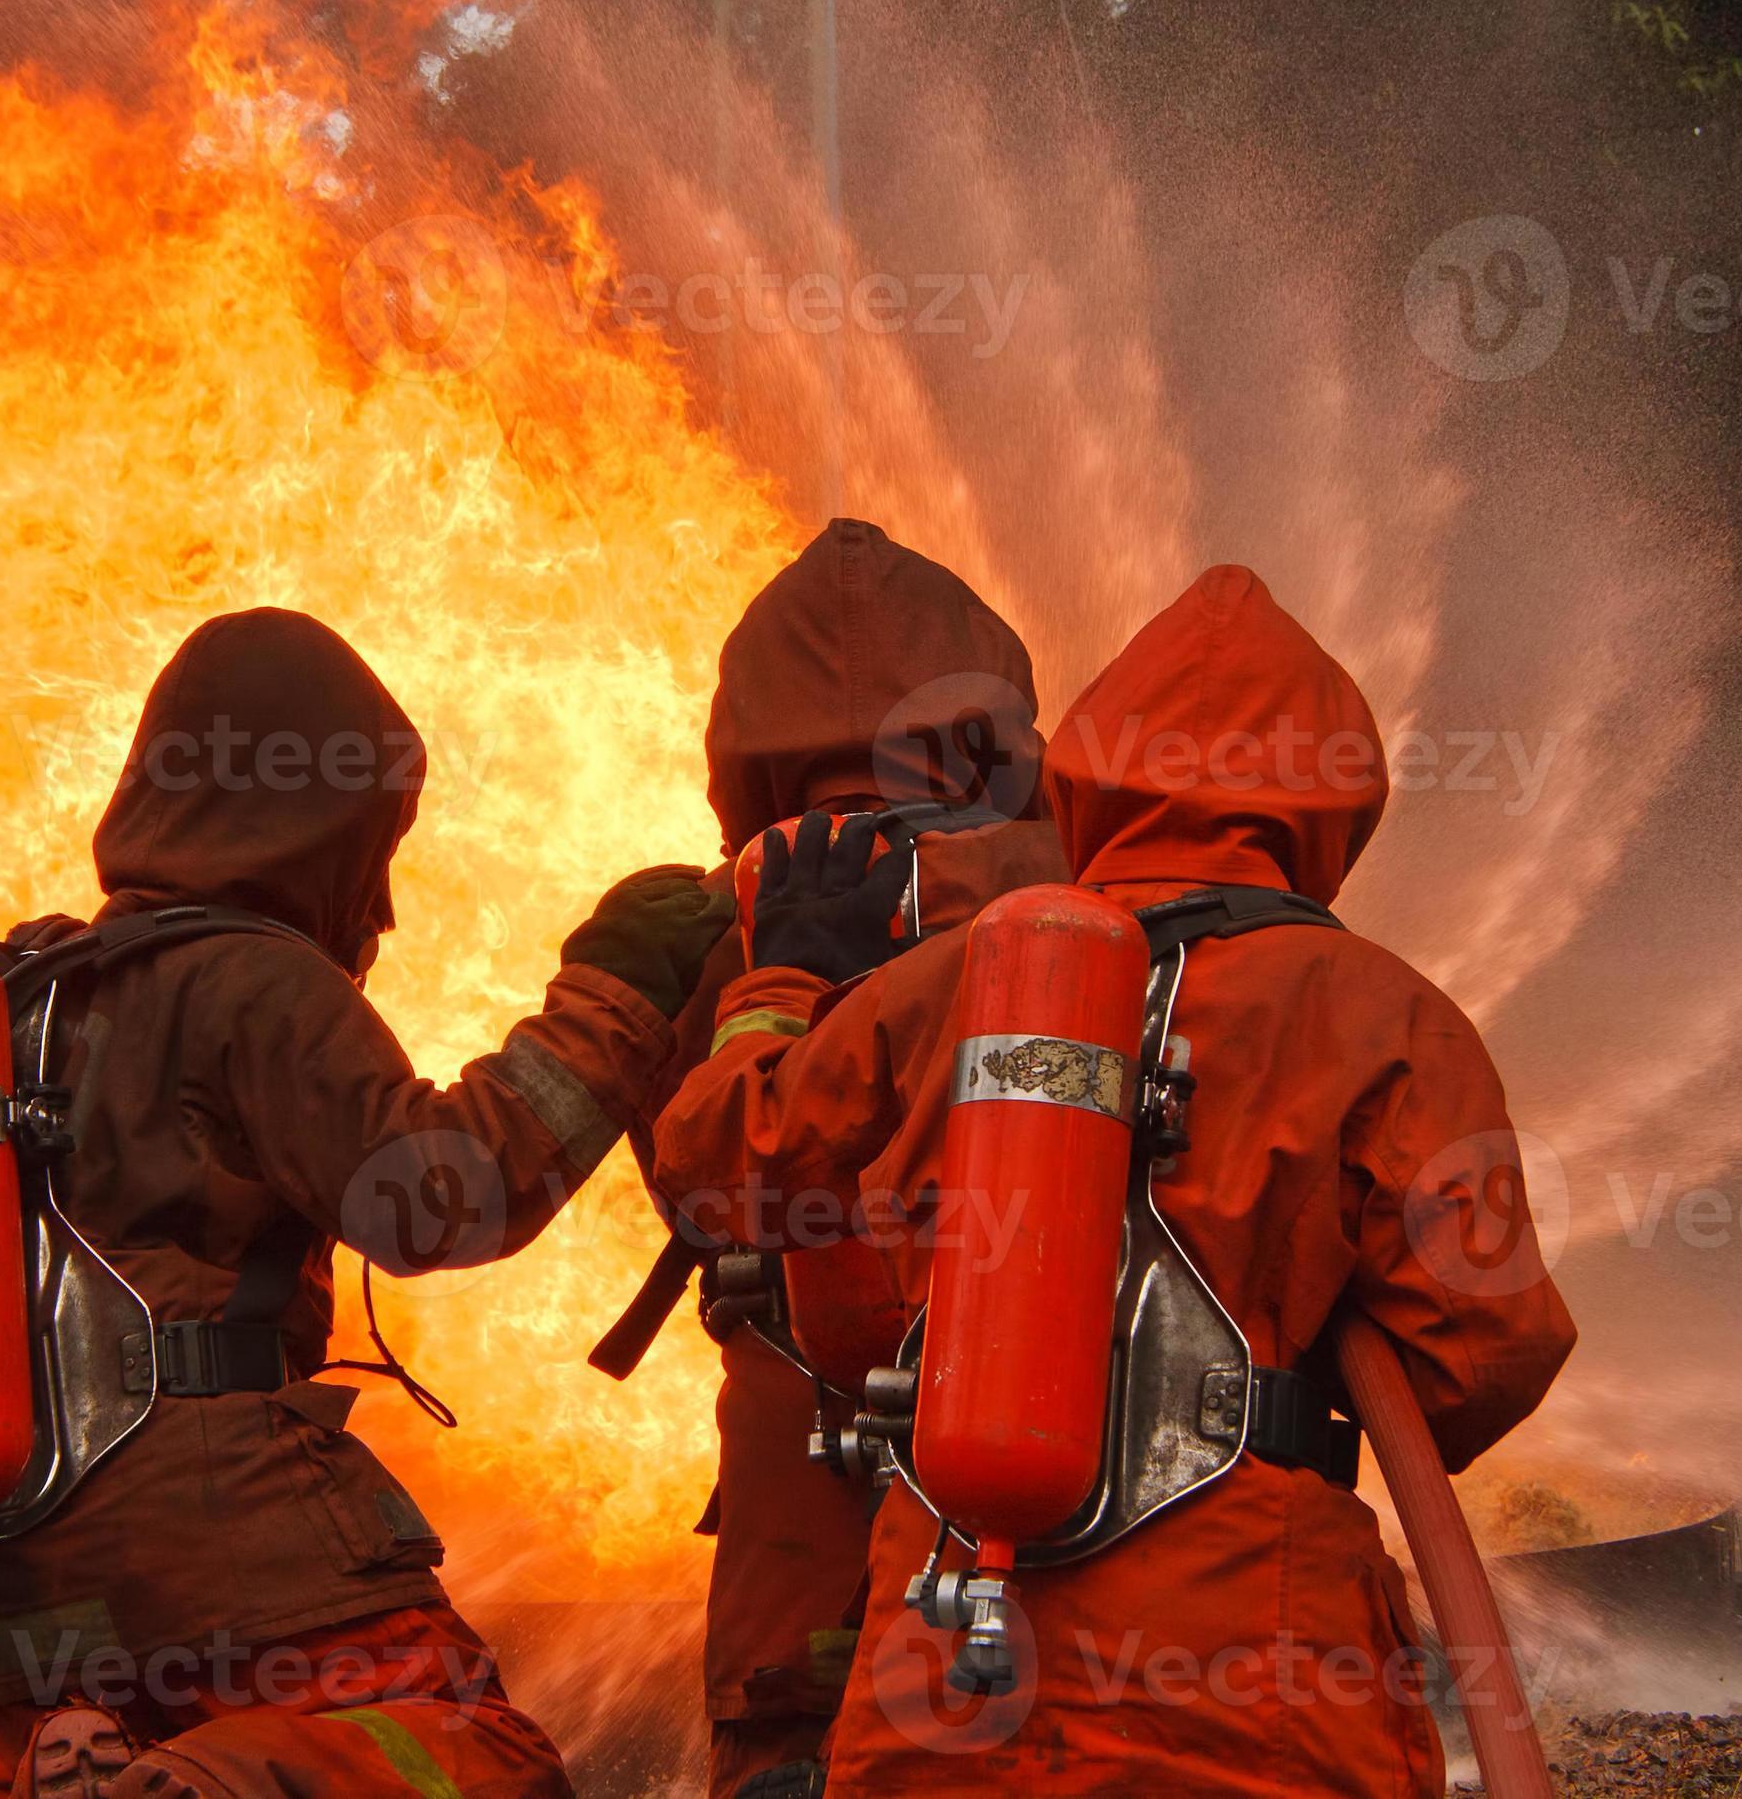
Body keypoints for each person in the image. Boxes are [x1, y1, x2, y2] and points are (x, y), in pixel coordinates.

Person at [0, 607, 735, 1799]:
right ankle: (207, 1783)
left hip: (33, 1626)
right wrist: (616, 992)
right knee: (478, 1759)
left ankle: (96, 1769)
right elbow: (440, 1195)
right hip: (255, 1580)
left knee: (83, 1758)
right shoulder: (248, 981)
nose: (379, 911)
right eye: (368, 859)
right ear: (305, 835)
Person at [653, 565, 1578, 1795]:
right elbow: (1485, 1352)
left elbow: (719, 1167)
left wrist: (784, 985)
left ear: (1085, 780)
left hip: (952, 1635)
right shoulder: (1388, 1018)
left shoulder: (954, 980)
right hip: (1255, 1655)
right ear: (1332, 811)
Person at [629, 518, 1074, 1799]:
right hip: (1061, 1505)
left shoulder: (720, 922)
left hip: (801, 1513)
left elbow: (698, 1185)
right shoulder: (1093, 903)